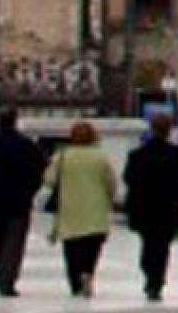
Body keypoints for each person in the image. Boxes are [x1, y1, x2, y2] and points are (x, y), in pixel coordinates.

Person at [0, 108, 47, 297]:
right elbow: (41, 167)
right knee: (14, 243)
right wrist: (32, 188)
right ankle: (7, 278)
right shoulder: (27, 145)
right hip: (20, 201)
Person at [43, 120, 119, 298]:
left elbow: (48, 179)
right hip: (96, 210)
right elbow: (112, 183)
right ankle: (87, 272)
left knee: (72, 249)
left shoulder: (63, 156)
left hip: (70, 210)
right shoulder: (101, 157)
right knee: (91, 248)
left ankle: (75, 283)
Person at [125, 114, 178, 301]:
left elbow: (129, 179)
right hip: (168, 210)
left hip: (144, 209)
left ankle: (152, 276)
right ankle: (156, 279)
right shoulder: (177, 155)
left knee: (148, 244)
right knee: (162, 247)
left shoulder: (137, 155)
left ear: (152, 129)